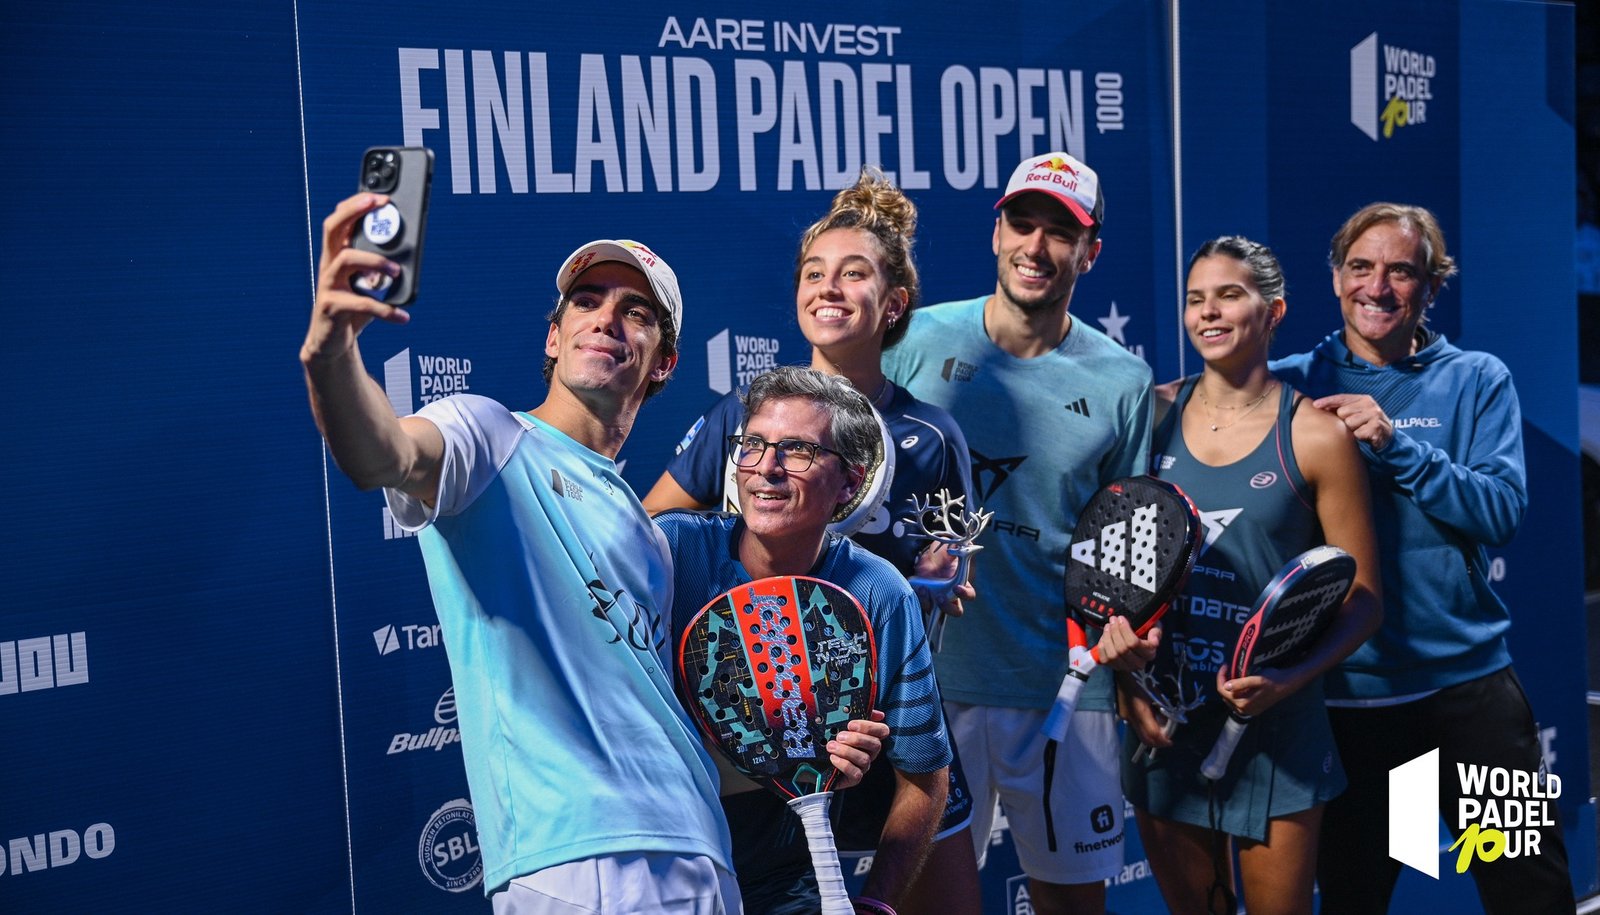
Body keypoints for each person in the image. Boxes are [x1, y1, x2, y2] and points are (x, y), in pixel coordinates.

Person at [299, 192, 884, 913]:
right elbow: (381, 453)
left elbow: (652, 723)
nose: (607, 316)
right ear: (554, 336)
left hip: (702, 849)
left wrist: (809, 757)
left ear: (665, 361)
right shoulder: (487, 436)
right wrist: (331, 349)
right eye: (586, 300)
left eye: (637, 311)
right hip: (582, 858)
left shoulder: (650, 537)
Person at [644, 169, 981, 913]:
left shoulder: (932, 436)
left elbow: (948, 569)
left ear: (894, 304)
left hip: (888, 735)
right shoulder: (746, 412)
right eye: (814, 272)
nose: (829, 288)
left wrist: (933, 584)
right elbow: (641, 547)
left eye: (853, 274)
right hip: (768, 741)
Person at [1271, 202, 1575, 913]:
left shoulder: (1477, 378)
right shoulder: (1290, 381)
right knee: (1356, 897)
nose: (1378, 287)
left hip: (1469, 696)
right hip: (1354, 703)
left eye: (1401, 272)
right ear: (1337, 278)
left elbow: (1501, 512)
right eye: (1361, 268)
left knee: (1531, 889)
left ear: (1431, 288)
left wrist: (1394, 445)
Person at [880, 151, 1155, 914]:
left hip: (1066, 689)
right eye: (1023, 224)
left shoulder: (1124, 382)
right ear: (996, 231)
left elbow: (1125, 546)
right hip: (926, 689)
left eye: (1060, 233)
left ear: (1089, 252)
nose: (1037, 247)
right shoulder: (909, 337)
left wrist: (1130, 656)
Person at [1118, 237, 1381, 914]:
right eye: (1196, 298)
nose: (1209, 312)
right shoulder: (1149, 417)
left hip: (1277, 731)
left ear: (1274, 312)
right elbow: (1119, 577)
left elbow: (1365, 599)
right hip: (1167, 722)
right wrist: (1126, 686)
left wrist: (1288, 679)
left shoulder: (1317, 435)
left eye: (1229, 295)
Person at [656, 366, 953, 915]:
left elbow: (926, 780)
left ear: (849, 481)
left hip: (786, 884)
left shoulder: (879, 593)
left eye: (796, 450)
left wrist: (880, 901)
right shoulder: (671, 552)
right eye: (753, 445)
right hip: (663, 871)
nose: (766, 469)